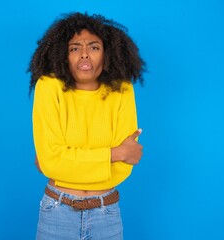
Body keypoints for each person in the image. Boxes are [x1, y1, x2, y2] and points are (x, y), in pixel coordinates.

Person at [28, 12, 146, 240]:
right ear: (63, 55)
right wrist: (115, 153)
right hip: (57, 212)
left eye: (94, 47)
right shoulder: (48, 87)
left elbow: (123, 168)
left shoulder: (121, 90)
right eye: (74, 48)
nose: (84, 55)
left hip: (107, 214)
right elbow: (51, 161)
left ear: (107, 53)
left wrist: (66, 164)